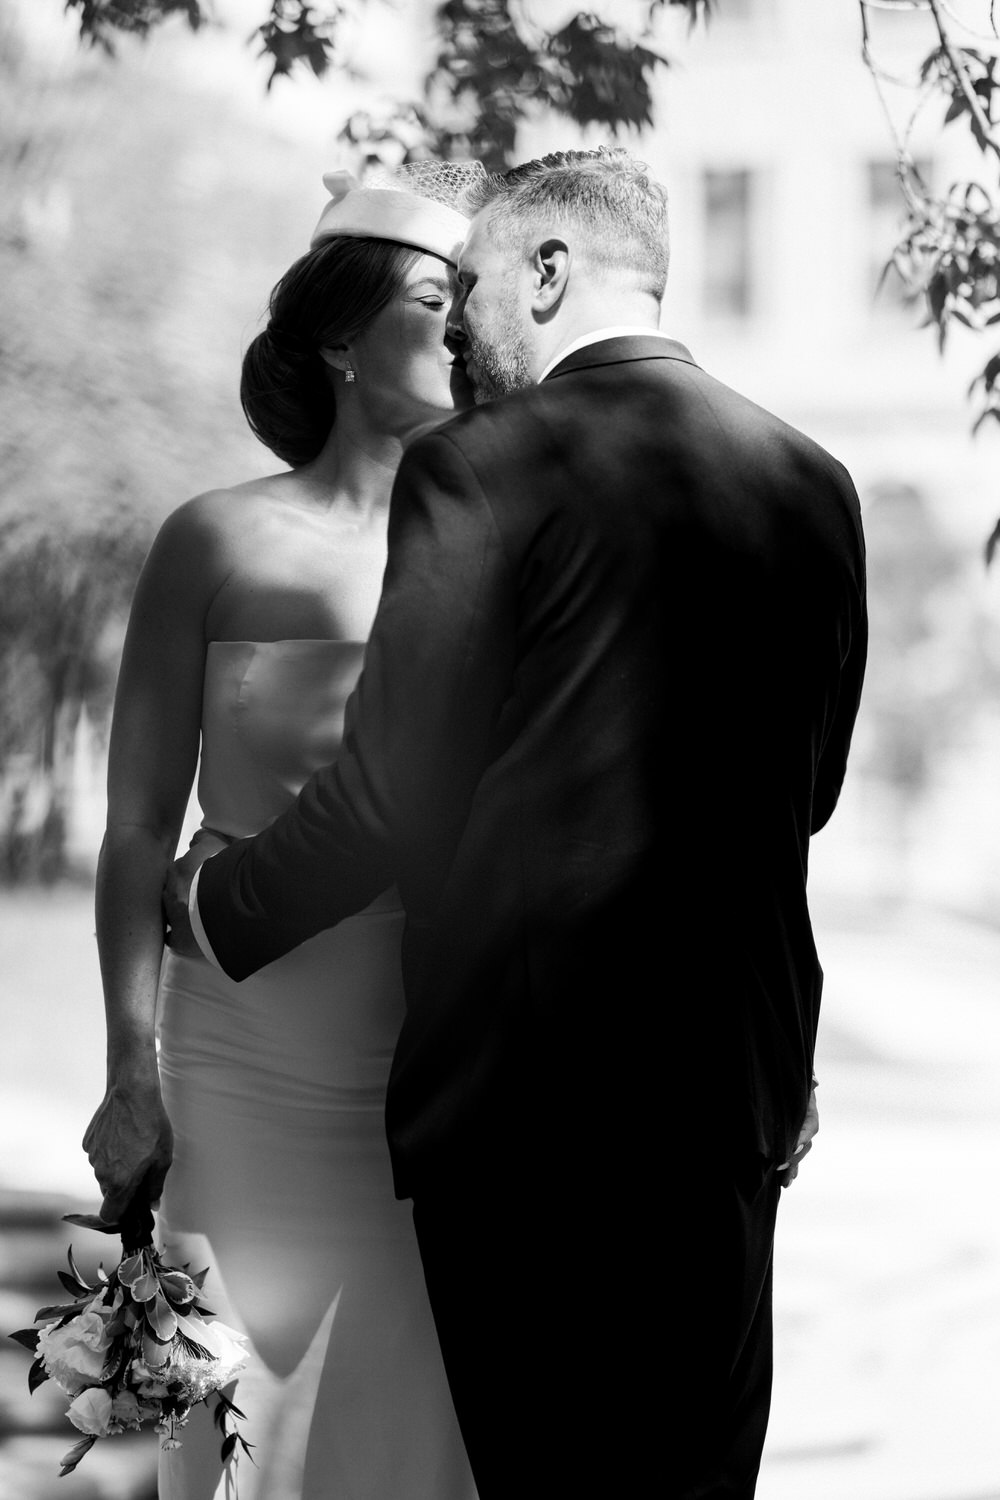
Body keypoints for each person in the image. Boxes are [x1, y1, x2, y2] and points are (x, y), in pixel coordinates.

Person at [168, 147, 868, 1499]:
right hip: (735, 1091)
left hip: (535, 1113)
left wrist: (216, 904)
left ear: (549, 271)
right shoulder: (815, 480)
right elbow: (812, 790)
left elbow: (389, 796)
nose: (466, 329)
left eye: (476, 285)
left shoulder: (483, 471)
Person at [83, 164, 482, 1500]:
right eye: (433, 303)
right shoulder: (214, 540)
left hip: (423, 1066)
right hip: (235, 1058)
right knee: (216, 1427)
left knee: (405, 1441)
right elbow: (139, 822)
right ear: (338, 342)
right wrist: (128, 1073)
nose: (464, 329)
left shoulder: (498, 551)